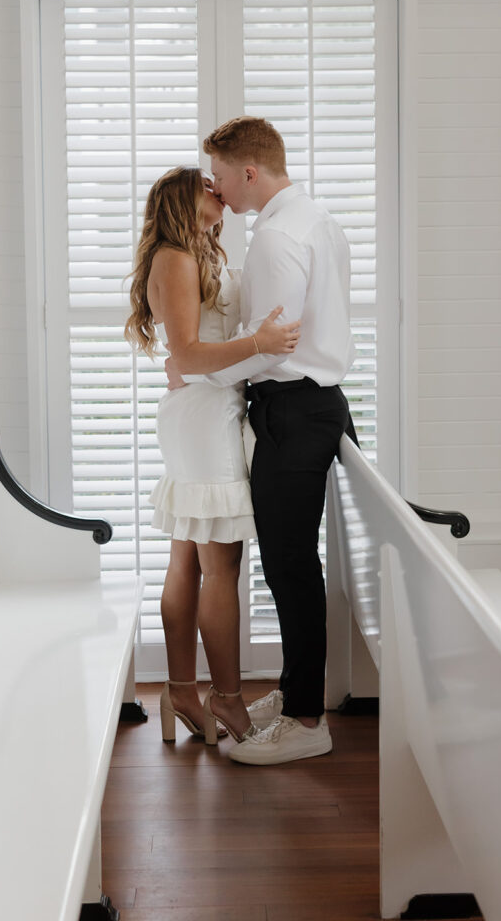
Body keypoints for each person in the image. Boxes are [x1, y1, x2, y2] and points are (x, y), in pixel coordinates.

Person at [168, 117, 355, 765]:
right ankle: (295, 692)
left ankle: (306, 721)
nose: (216, 189)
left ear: (248, 171)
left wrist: (198, 370)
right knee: (292, 565)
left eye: (219, 175)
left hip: (291, 409)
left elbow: (272, 350)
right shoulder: (318, 220)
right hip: (318, 403)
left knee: (289, 567)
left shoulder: (276, 238)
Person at [125, 166, 301, 746]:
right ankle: (225, 697)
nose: (217, 188)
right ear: (184, 196)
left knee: (189, 561)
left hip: (203, 412)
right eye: (207, 181)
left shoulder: (194, 251)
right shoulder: (175, 257)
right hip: (205, 419)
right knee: (219, 567)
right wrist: (261, 344)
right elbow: (191, 354)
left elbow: (192, 353)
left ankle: (181, 690)